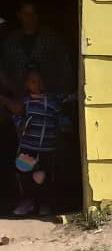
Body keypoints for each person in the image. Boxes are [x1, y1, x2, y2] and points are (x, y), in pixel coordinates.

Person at [0, 69, 69, 216]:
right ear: (26, 85)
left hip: (46, 149)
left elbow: (60, 118)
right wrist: (21, 123)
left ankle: (43, 204)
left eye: (39, 81)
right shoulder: (24, 103)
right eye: (33, 81)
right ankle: (27, 202)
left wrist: (65, 124)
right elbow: (16, 117)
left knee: (44, 177)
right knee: (24, 175)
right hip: (28, 147)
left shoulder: (52, 103)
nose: (37, 84)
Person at [0, 0, 71, 97]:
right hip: (18, 99)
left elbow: (64, 65)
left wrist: (62, 93)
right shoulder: (10, 42)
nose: (30, 18)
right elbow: (4, 70)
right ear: (19, 15)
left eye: (33, 13)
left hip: (50, 100)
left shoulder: (50, 37)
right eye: (26, 14)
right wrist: (12, 92)